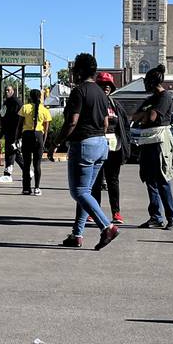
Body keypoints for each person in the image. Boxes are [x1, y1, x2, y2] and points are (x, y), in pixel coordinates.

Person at [60, 53, 118, 249]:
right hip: (101, 145)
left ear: (81, 70)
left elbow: (72, 121)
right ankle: (77, 235)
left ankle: (107, 227)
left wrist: (57, 142)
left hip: (84, 145)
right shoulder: (102, 94)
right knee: (86, 193)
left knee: (79, 192)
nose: (74, 71)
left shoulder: (79, 91)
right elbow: (105, 122)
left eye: (76, 68)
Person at [131, 65, 173, 228]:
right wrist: (144, 116)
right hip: (147, 141)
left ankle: (172, 218)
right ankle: (155, 217)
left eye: (146, 81)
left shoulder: (165, 97)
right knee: (149, 179)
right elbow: (135, 117)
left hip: (159, 142)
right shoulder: (150, 99)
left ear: (152, 82)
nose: (145, 84)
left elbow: (151, 118)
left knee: (162, 179)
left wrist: (145, 115)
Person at [90, 72, 128, 225]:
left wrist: (126, 145)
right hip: (97, 147)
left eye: (109, 85)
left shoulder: (115, 105)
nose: (106, 87)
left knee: (113, 181)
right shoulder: (92, 103)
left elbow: (124, 126)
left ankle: (116, 213)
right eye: (102, 84)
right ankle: (93, 212)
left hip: (114, 149)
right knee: (96, 182)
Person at [18, 88, 50, 196]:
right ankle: (37, 188)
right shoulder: (45, 110)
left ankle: (26, 188)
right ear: (40, 97)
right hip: (38, 136)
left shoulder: (25, 108)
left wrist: (17, 138)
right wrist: (43, 142)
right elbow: (46, 129)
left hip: (27, 135)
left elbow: (19, 125)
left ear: (30, 97)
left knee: (26, 164)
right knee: (37, 164)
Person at [0, 84, 22, 184]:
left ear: (13, 91)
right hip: (8, 133)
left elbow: (19, 121)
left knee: (10, 153)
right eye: (5, 90)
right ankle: (27, 172)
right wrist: (1, 134)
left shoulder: (17, 103)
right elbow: (4, 120)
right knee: (16, 154)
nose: (6, 92)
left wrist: (17, 137)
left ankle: (7, 175)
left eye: (8, 90)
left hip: (15, 134)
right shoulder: (6, 103)